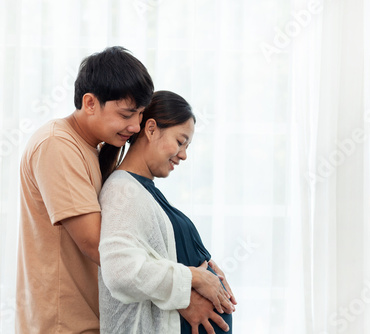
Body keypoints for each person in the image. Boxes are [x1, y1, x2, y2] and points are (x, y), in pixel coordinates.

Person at [15, 46, 154, 333]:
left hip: (89, 320)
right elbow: (98, 244)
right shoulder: (57, 145)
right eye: (127, 114)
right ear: (90, 103)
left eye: (141, 115)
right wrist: (179, 289)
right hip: (63, 324)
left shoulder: (100, 148)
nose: (136, 126)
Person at [98, 91, 237, 333]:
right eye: (181, 141)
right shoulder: (123, 190)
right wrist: (195, 278)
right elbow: (121, 272)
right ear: (150, 129)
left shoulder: (143, 190)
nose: (183, 155)